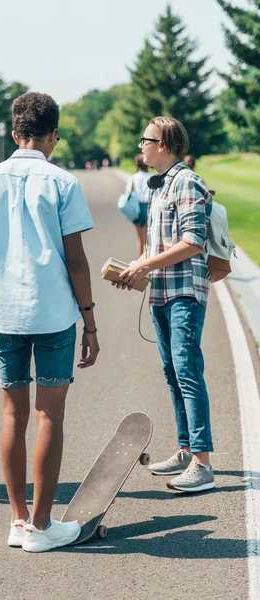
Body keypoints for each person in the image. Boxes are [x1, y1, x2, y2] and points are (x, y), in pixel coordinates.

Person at [0, 92, 99, 551]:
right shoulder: (62, 182)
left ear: (15, 133)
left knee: (13, 413)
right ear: (53, 134)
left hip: (5, 316)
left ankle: (17, 522)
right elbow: (76, 261)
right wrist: (90, 322)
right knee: (49, 413)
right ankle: (42, 525)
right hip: (53, 313)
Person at [113, 116, 215, 493]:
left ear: (165, 145)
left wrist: (143, 262)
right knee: (173, 373)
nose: (141, 144)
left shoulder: (186, 182)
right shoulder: (159, 186)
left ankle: (203, 464)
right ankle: (186, 450)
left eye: (147, 139)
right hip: (161, 292)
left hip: (184, 294)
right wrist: (139, 271)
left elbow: (193, 242)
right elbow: (160, 247)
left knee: (188, 372)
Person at [130, 154, 151, 256]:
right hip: (149, 206)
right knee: (149, 238)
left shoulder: (134, 177)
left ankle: (140, 259)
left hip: (137, 207)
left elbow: (130, 192)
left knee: (140, 238)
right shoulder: (151, 177)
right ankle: (147, 259)